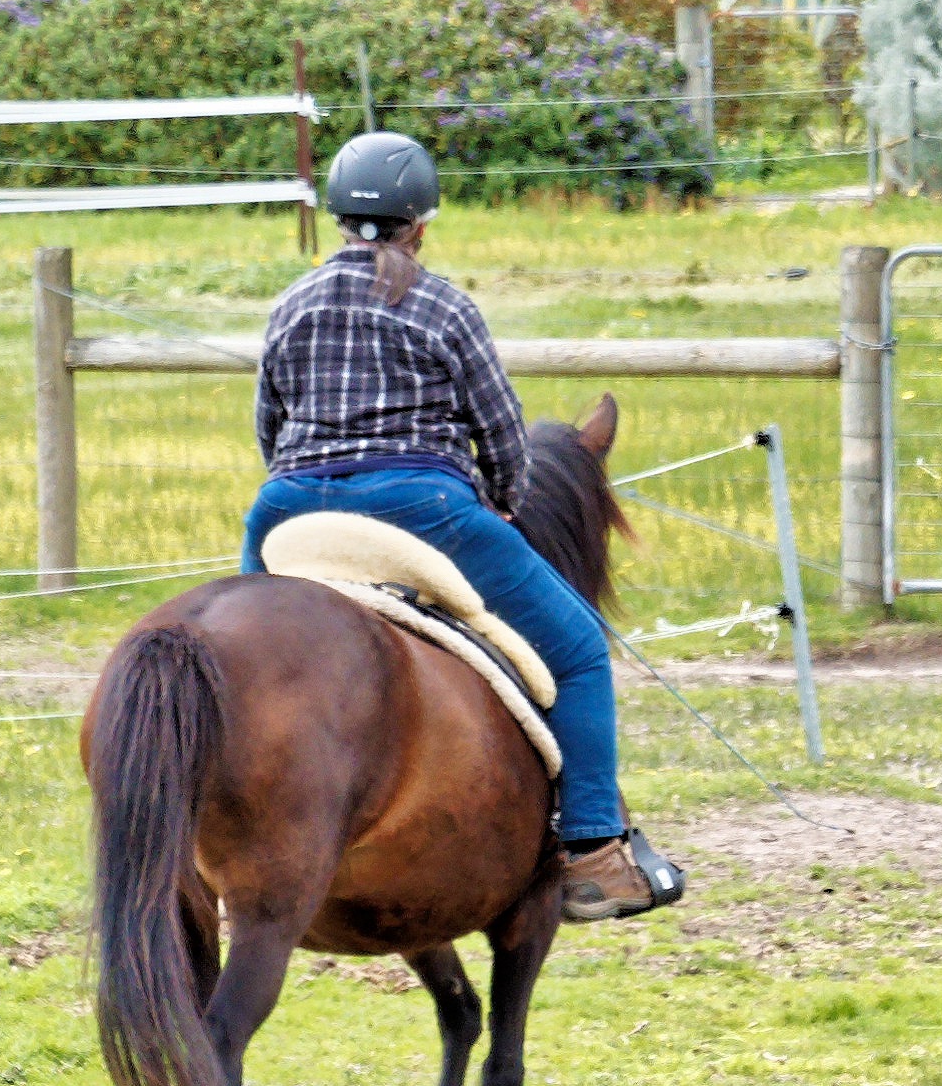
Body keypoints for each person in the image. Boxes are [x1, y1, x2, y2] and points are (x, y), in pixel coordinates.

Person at [239, 130, 686, 924]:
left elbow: (269, 424)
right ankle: (592, 851)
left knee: (237, 662)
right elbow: (502, 431)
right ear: (422, 222)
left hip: (290, 506)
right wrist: (506, 498)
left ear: (338, 217)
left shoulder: (291, 303)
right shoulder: (445, 306)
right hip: (424, 507)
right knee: (579, 650)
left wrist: (303, 483)